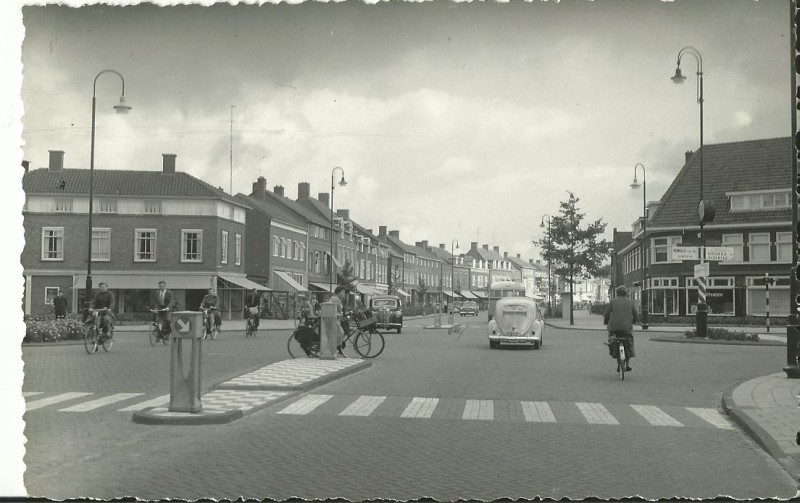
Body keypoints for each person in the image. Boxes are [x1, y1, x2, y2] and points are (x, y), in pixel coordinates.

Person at [603, 285, 639, 371]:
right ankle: (627, 364)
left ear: (617, 293)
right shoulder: (630, 302)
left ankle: (612, 347)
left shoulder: (613, 301)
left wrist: (606, 321)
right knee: (629, 341)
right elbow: (635, 314)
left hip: (614, 327)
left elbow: (606, 313)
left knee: (611, 337)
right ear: (626, 293)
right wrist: (634, 321)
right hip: (626, 327)